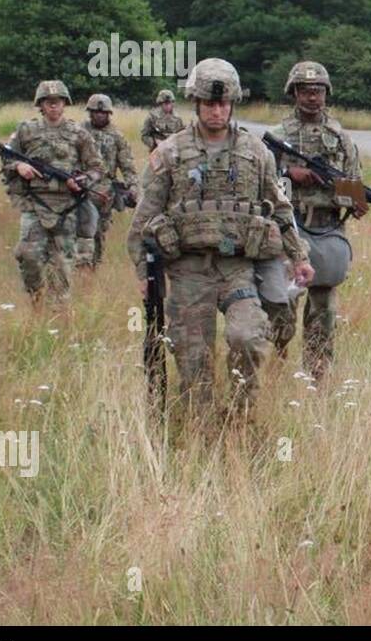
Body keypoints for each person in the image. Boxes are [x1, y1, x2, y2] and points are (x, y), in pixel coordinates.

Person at [127, 58, 313, 413]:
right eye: (209, 103)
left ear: (232, 103)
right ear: (196, 104)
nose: (216, 110)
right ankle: (201, 425)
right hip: (188, 271)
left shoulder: (255, 152)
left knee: (247, 338)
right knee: (193, 356)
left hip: (237, 267)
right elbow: (143, 218)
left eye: (223, 103)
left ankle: (241, 415)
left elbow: (280, 207)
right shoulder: (170, 152)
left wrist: (299, 257)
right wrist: (142, 273)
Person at [263, 61, 363, 382]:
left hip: (327, 227)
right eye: (305, 91)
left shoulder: (341, 138)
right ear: (293, 93)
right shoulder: (276, 138)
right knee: (282, 304)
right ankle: (275, 363)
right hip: (288, 227)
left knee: (323, 312)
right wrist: (289, 173)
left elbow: (355, 184)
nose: (312, 98)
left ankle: (317, 374)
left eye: (318, 91)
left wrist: (355, 200)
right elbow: (260, 182)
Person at [2, 81, 103, 303]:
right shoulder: (26, 130)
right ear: (41, 104)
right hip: (34, 205)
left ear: (64, 103)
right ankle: (36, 297)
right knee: (27, 255)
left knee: (62, 263)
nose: (53, 107)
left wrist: (82, 181)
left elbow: (96, 168)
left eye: (57, 102)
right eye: (49, 103)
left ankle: (58, 311)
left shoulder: (79, 134)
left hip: (67, 208)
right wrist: (19, 166)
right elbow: (5, 158)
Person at [75, 93, 138, 268]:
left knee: (98, 231)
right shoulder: (79, 132)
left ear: (109, 114)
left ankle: (94, 265)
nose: (99, 115)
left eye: (103, 112)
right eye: (95, 112)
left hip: (104, 192)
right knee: (80, 228)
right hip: (80, 186)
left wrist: (133, 187)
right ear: (90, 112)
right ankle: (81, 264)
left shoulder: (117, 137)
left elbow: (128, 165)